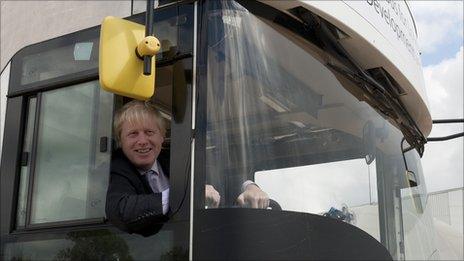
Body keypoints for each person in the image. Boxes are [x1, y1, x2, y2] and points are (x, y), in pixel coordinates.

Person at [106, 100, 270, 236]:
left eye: (149, 132)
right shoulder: (115, 166)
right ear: (121, 141)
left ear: (162, 137)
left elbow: (221, 175)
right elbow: (121, 210)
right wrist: (186, 196)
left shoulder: (175, 159)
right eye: (133, 134)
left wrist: (250, 187)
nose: (142, 141)